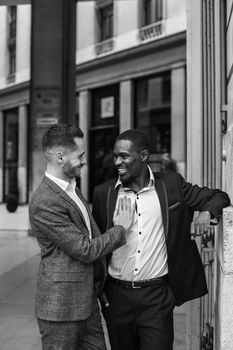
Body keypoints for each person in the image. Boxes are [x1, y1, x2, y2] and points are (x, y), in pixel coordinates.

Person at [92, 129, 230, 350]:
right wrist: (99, 290)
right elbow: (97, 245)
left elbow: (219, 197)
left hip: (156, 297)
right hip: (116, 297)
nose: (117, 162)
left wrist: (205, 214)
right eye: (115, 156)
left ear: (144, 156)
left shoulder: (171, 185)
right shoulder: (103, 193)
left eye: (124, 156)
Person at [29, 123, 134, 350]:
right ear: (60, 157)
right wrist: (120, 229)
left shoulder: (72, 189)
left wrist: (98, 285)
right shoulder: (45, 201)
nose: (85, 161)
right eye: (80, 155)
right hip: (60, 310)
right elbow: (85, 249)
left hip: (87, 303)